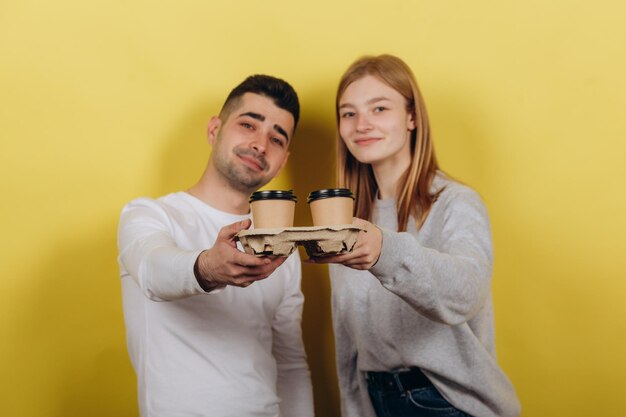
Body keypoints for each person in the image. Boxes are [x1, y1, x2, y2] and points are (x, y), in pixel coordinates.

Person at [311, 55, 521, 417]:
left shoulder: (455, 203)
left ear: (411, 117)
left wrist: (383, 251)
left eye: (379, 108)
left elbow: (466, 293)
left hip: (445, 403)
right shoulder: (348, 219)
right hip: (377, 401)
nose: (362, 124)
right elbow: (349, 335)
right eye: (348, 113)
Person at [117, 75, 314, 417]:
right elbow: (153, 271)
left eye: (276, 138)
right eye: (248, 124)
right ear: (214, 130)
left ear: (283, 160)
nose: (260, 144)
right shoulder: (149, 215)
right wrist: (208, 267)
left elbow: (291, 364)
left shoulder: (282, 247)